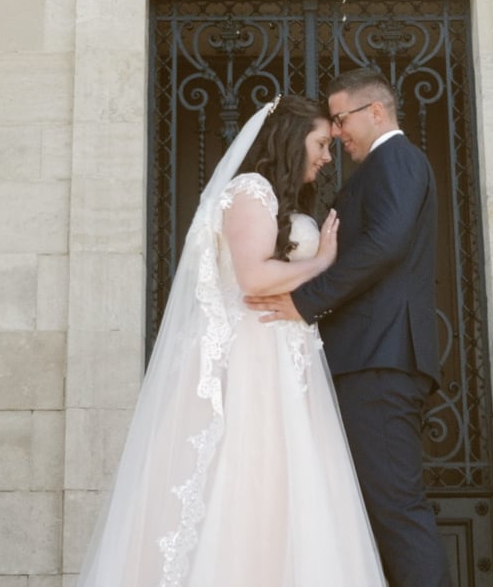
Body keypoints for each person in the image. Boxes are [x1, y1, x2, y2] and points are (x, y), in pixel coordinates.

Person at [74, 94, 386, 586]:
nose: (327, 156)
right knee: (242, 478)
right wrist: (323, 263)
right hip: (249, 356)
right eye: (321, 143)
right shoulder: (249, 191)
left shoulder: (280, 201)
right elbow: (252, 278)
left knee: (287, 486)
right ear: (290, 139)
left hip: (285, 356)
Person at [249, 68, 452, 587]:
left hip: (380, 362)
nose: (337, 133)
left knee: (396, 510)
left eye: (341, 119)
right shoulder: (383, 167)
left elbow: (383, 245)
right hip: (366, 360)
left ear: (375, 112)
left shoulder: (398, 159)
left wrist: (305, 301)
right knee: (372, 512)